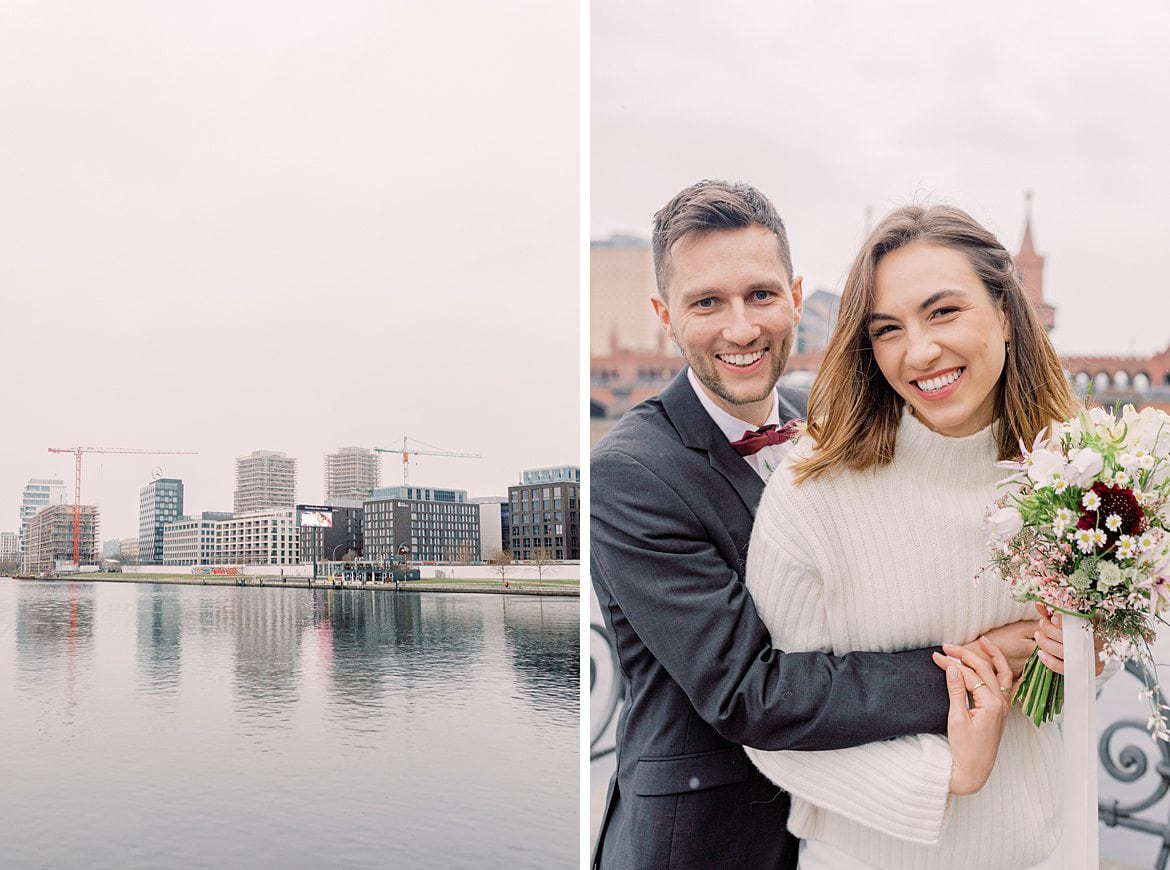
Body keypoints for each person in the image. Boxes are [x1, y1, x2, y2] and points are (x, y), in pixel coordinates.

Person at [590, 181, 1047, 869]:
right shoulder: (628, 474)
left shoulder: (834, 419)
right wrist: (983, 666)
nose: (741, 327)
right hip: (709, 839)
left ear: (796, 298)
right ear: (664, 313)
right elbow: (748, 690)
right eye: (707, 302)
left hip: (851, 826)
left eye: (761, 295)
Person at [742, 204, 1083, 869]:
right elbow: (770, 725)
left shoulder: (1073, 475)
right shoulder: (815, 493)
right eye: (888, 328)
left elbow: (1068, 690)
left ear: (1008, 313)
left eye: (944, 311)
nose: (918, 351)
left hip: (1043, 849)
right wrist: (948, 773)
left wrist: (1073, 657)